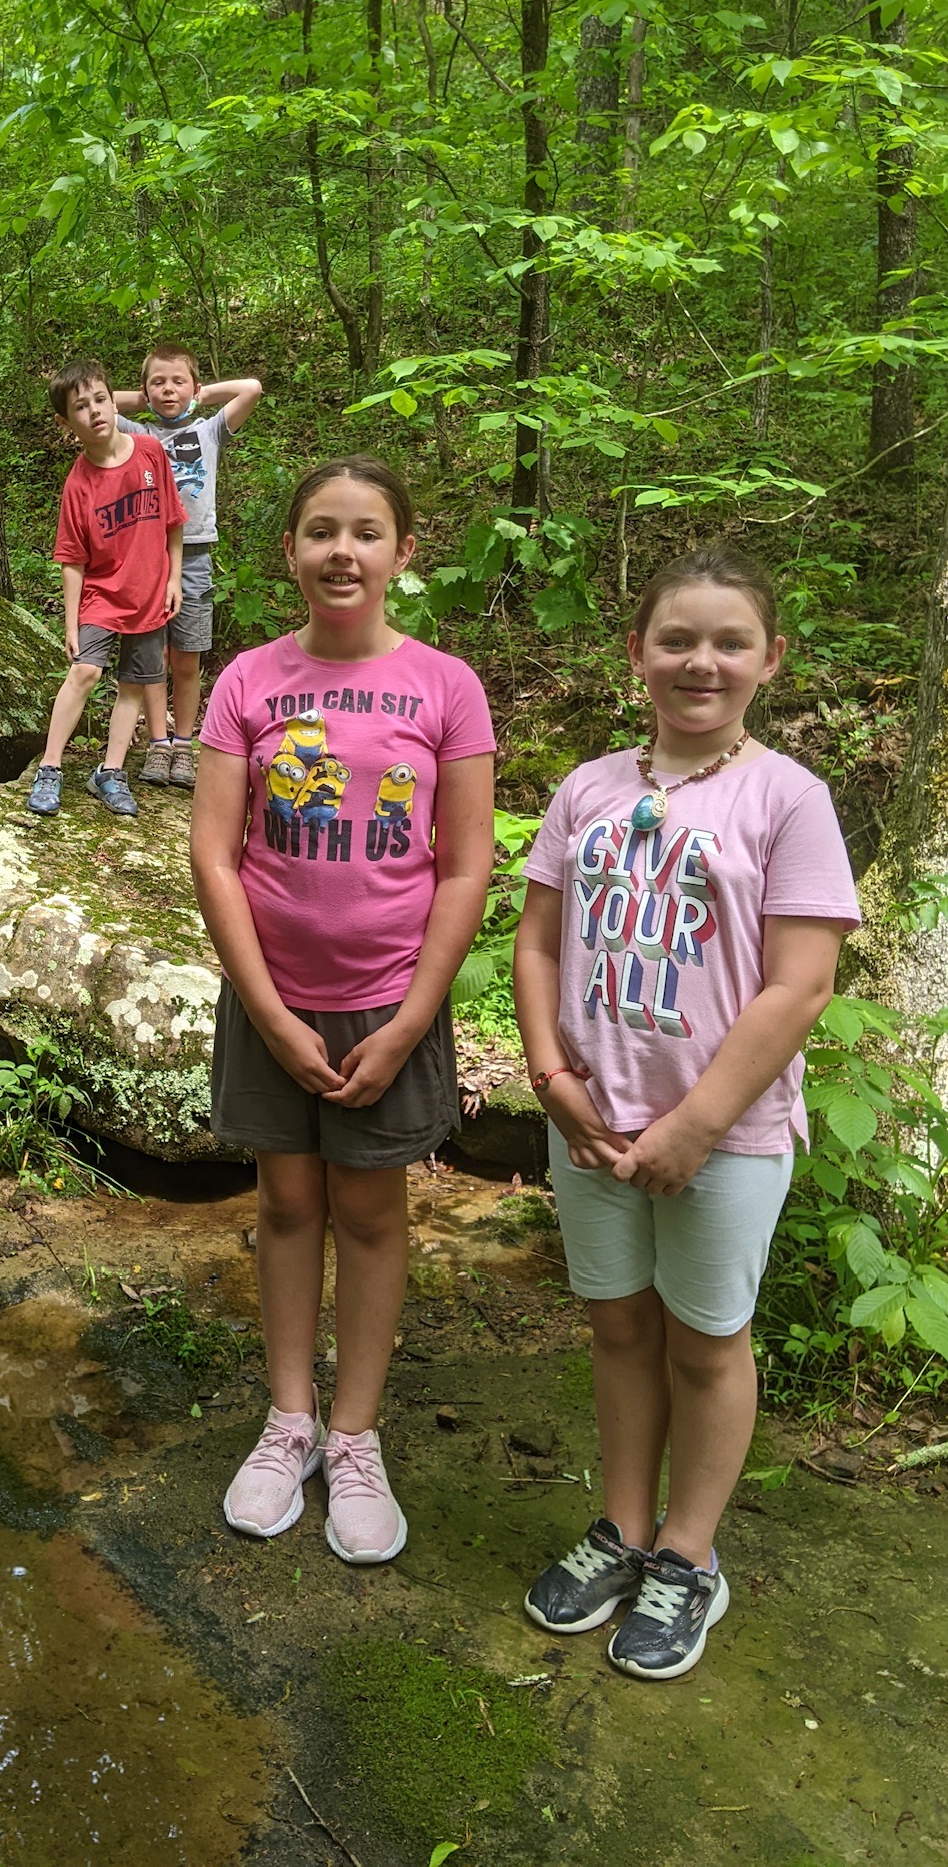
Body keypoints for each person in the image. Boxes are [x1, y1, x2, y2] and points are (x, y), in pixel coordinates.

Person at [513, 545, 859, 1680]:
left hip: (724, 1136)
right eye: (676, 639)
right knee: (618, 1328)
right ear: (637, 654)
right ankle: (621, 1527)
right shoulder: (587, 788)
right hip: (591, 1122)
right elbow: (536, 941)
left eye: (725, 642)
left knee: (707, 1346)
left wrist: (699, 1124)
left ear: (768, 658)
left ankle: (686, 1556)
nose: (698, 661)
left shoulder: (787, 798)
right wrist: (553, 1082)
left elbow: (799, 982)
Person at [191, 455, 494, 1562]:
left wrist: (414, 1018)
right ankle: (287, 1422)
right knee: (283, 1206)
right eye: (320, 531)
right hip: (273, 999)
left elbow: (464, 868)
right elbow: (216, 856)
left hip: (388, 1002)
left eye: (367, 533)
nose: (342, 552)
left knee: (369, 1213)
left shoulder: (445, 687)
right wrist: (268, 1015)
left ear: (402, 555)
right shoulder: (246, 684)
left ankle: (355, 1434)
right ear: (288, 552)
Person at [26, 360, 185, 819]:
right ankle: (50, 767)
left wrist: (173, 579)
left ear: (115, 402)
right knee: (85, 672)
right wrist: (72, 621)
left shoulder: (151, 452)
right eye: (81, 407)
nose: (94, 412)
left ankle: (110, 771)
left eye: (100, 400)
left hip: (150, 592)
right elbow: (73, 560)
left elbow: (173, 522)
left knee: (134, 684)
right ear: (66, 421)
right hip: (101, 594)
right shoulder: (78, 484)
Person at [112, 343, 263, 790]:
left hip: (195, 555)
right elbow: (91, 401)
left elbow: (251, 388)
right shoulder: (138, 435)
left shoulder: (209, 430)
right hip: (147, 555)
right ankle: (157, 743)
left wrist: (197, 394)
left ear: (194, 388)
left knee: (187, 657)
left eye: (177, 381)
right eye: (157, 381)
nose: (167, 389)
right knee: (152, 656)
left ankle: (183, 743)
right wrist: (144, 398)